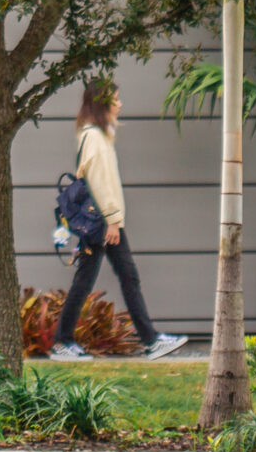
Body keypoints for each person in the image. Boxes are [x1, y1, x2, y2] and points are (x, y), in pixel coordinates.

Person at [50, 81, 187, 362]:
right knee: (91, 280)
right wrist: (113, 220)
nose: (120, 103)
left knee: (125, 277)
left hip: (105, 222)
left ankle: (150, 340)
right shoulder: (94, 138)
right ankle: (63, 342)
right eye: (115, 99)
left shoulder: (97, 135)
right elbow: (100, 183)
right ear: (102, 103)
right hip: (103, 223)